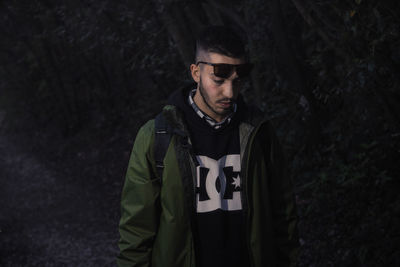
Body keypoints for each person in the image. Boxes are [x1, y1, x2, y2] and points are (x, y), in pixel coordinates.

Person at [117, 25, 299, 267]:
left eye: (237, 80)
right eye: (218, 79)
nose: (229, 92)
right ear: (195, 72)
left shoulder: (259, 133)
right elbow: (136, 230)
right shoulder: (157, 136)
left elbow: (283, 216)